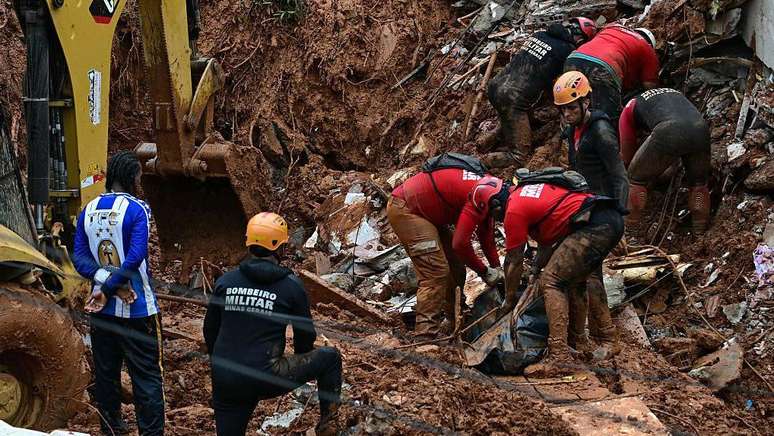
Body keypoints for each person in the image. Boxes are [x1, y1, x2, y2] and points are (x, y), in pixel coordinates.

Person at [203, 212, 342, 436]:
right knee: (330, 357)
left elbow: (210, 330)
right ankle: (329, 425)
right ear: (281, 248)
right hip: (265, 375)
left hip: (226, 378)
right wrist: (299, 361)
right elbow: (305, 336)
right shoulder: (291, 286)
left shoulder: (225, 282)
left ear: (248, 243)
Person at [472, 177, 624, 376]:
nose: (495, 220)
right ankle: (593, 341)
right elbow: (545, 245)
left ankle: (559, 357)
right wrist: (535, 270)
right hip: (607, 218)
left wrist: (509, 300)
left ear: (495, 205)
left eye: (491, 215)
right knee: (580, 281)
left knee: (552, 282)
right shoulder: (525, 193)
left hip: (592, 226)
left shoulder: (513, 210)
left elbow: (514, 260)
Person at [73, 150, 164, 436]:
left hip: (101, 309)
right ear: (131, 178)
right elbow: (136, 255)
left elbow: (80, 258)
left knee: (106, 373)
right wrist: (116, 286)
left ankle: (111, 428)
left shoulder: (87, 209)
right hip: (139, 309)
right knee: (147, 376)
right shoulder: (139, 210)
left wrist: (103, 284)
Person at [387, 154, 504, 338]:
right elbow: (461, 244)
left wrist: (498, 268)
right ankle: (425, 335)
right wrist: (484, 271)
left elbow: (486, 237)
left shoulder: (490, 191)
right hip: (406, 209)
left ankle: (454, 318)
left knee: (456, 265)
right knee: (435, 272)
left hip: (428, 212)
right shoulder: (478, 196)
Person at [553, 70, 628, 356]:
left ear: (586, 103)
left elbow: (620, 175)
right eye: (563, 110)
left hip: (604, 213)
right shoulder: (573, 131)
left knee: (591, 275)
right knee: (585, 274)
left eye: (572, 108)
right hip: (587, 211)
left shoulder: (601, 131)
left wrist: (621, 219)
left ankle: (607, 339)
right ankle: (584, 338)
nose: (567, 114)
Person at [483, 17, 597, 166]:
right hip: (512, 99)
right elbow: (564, 85)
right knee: (520, 156)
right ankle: (483, 161)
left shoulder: (540, 34)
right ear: (581, 40)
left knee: (519, 103)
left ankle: (493, 137)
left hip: (495, 85)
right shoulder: (567, 51)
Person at [619, 88, 712, 232]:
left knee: (635, 180)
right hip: (701, 129)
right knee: (699, 184)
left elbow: (627, 155)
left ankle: (629, 231)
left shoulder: (628, 108)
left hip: (669, 130)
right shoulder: (672, 94)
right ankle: (699, 230)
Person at [564, 25, 659, 119]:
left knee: (571, 105)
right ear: (650, 43)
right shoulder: (647, 48)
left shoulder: (612, 28)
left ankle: (570, 132)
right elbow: (650, 87)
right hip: (602, 66)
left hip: (573, 59)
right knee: (608, 117)